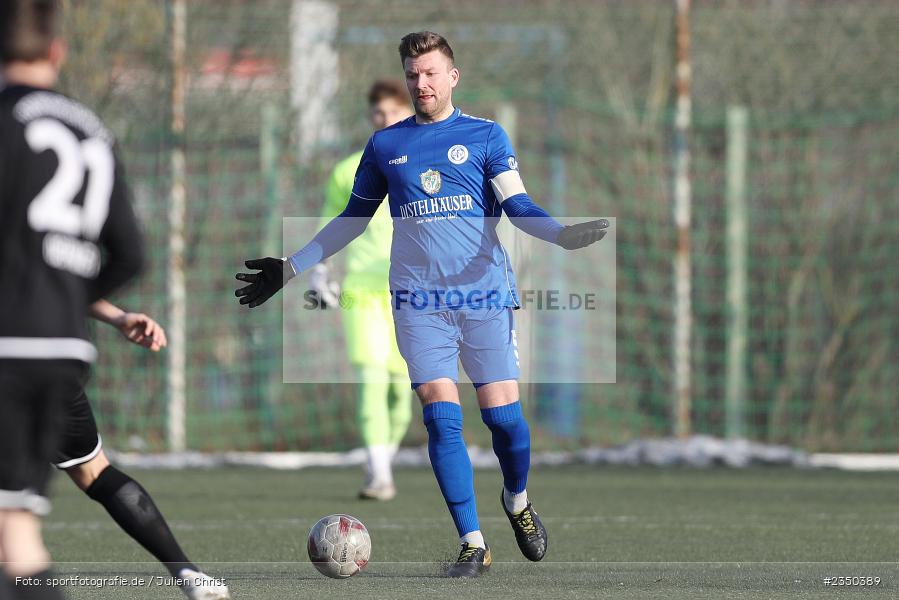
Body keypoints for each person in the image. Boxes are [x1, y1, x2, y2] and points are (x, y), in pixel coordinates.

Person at [235, 31, 608, 578]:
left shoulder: (484, 136)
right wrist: (291, 266)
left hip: (483, 294)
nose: (421, 83)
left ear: (453, 76)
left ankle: (517, 501)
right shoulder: (387, 145)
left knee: (505, 421)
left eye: (431, 72)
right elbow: (351, 219)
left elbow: (518, 203)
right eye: (413, 74)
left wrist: (560, 235)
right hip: (418, 302)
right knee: (440, 416)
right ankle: (472, 541)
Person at [0, 1, 143, 597]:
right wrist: (61, 299)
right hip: (62, 350)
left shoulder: (5, 121)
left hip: (5, 347)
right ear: (57, 52)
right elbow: (132, 256)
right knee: (19, 536)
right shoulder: (91, 127)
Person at [57, 300, 230, 600]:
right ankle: (188, 573)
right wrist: (119, 317)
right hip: (58, 365)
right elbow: (71, 279)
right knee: (94, 472)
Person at [309, 80, 414, 501]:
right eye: (378, 113)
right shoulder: (349, 169)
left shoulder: (427, 163)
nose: (384, 119)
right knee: (370, 379)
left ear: (408, 113)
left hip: (413, 293)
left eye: (392, 112)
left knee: (404, 394)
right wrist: (320, 272)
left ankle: (380, 460)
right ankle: (380, 474)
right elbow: (331, 223)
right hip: (362, 293)